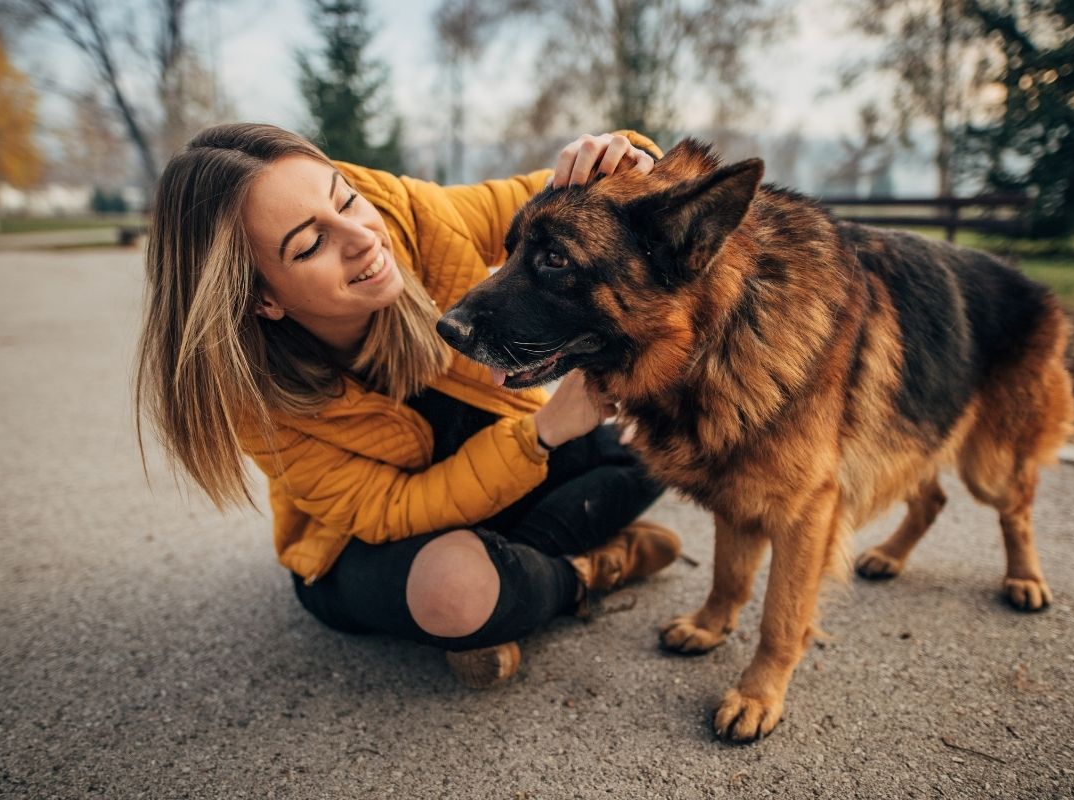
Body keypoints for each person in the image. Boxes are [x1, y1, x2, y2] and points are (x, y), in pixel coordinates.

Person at [135, 123, 681, 688]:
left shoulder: (405, 213)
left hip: (497, 481)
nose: (362, 236)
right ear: (261, 299)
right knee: (455, 591)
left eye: (346, 198)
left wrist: (625, 164)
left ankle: (516, 579)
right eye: (310, 244)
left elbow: (558, 207)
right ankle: (582, 572)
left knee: (662, 438)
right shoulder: (253, 397)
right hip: (374, 547)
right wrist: (543, 432)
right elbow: (394, 509)